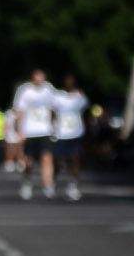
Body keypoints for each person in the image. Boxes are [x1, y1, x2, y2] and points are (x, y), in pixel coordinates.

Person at [12, 66, 57, 200]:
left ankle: (48, 185)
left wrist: (55, 127)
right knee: (28, 162)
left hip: (45, 130)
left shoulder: (49, 89)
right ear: (32, 77)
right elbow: (19, 111)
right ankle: (27, 183)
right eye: (37, 76)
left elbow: (55, 108)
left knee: (47, 159)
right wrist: (20, 132)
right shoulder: (25, 90)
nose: (39, 79)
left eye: (41, 76)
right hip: (30, 131)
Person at [51, 73, 89, 201]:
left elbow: (85, 112)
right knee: (57, 160)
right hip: (61, 133)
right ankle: (53, 182)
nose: (69, 83)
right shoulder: (58, 96)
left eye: (71, 81)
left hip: (76, 132)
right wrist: (52, 128)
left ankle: (73, 185)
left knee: (75, 159)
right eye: (67, 80)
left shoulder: (80, 97)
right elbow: (53, 113)